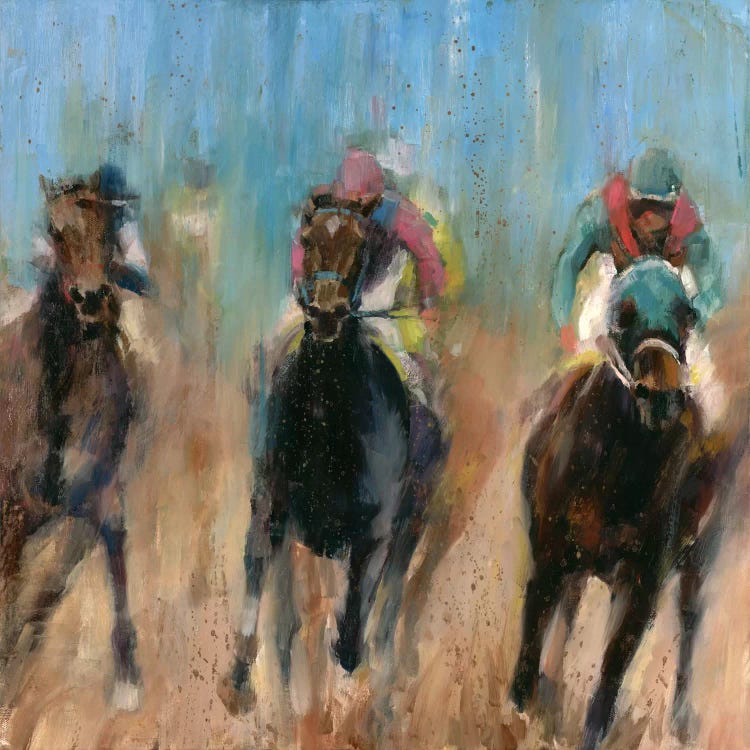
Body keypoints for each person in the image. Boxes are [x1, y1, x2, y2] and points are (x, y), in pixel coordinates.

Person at [550, 148, 726, 428]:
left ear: (674, 207)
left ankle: (707, 441)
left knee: (707, 386)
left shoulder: (689, 225)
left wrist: (695, 316)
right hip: (615, 296)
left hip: (671, 306)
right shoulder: (602, 210)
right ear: (629, 199)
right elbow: (568, 262)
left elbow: (713, 285)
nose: (649, 216)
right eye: (641, 206)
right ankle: (554, 422)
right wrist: (564, 320)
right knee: (584, 353)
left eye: (659, 209)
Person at [264, 148, 447, 409]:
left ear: (376, 196)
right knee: (276, 339)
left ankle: (423, 403)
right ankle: (263, 396)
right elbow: (302, 248)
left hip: (378, 294)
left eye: (362, 200)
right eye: (349, 198)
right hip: (325, 291)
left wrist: (428, 300)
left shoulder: (397, 213)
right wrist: (302, 286)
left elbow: (427, 254)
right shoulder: (324, 206)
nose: (355, 206)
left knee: (406, 356)